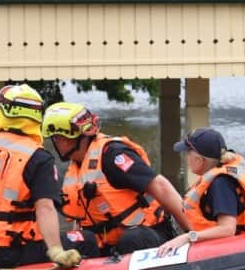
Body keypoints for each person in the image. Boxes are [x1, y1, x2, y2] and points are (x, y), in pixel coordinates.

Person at [0, 83, 96, 269]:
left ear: (3, 112)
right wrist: (56, 251)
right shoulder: (38, 157)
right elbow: (45, 207)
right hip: (10, 254)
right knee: (88, 239)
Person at [41, 102, 192, 254]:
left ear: (67, 138)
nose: (56, 143)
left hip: (148, 232)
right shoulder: (77, 166)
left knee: (130, 239)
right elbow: (81, 215)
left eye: (56, 138)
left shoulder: (113, 155)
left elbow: (160, 186)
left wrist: (191, 231)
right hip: (106, 242)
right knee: (69, 241)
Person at [157, 127, 245, 256]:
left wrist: (187, 237)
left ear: (199, 160)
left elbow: (227, 229)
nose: (186, 158)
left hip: (240, 251)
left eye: (188, 153)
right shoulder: (223, 174)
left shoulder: (221, 184)